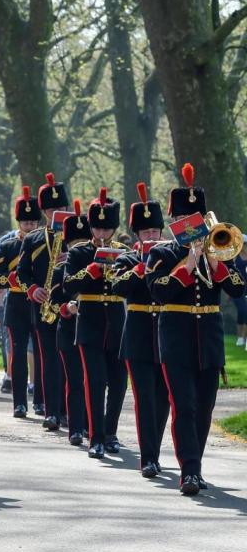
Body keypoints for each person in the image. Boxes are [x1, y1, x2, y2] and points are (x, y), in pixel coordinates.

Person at [146, 163, 245, 495]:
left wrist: (215, 262)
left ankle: (195, 465)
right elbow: (157, 290)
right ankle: (189, 471)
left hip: (210, 340)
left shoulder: (219, 251)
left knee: (204, 407)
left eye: (198, 218)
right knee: (184, 405)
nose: (192, 224)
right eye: (184, 219)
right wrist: (188, 264)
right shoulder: (161, 252)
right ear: (175, 222)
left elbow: (237, 288)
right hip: (175, 339)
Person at [63, 188, 129, 459]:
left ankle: (111, 432)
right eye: (98, 228)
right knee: (95, 381)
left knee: (118, 382)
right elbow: (68, 286)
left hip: (116, 321)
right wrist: (92, 270)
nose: (102, 234)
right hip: (89, 322)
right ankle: (95, 436)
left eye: (107, 229)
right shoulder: (79, 252)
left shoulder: (124, 252)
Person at [111, 183, 169, 478]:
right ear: (137, 235)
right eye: (145, 232)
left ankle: (155, 450)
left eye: (154, 232)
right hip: (137, 332)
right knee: (144, 396)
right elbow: (118, 286)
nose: (151, 236)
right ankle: (148, 457)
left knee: (163, 397)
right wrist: (142, 267)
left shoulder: (171, 256)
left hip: (167, 333)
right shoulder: (128, 258)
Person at [18, 173, 70, 430]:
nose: (58, 212)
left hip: (71, 307)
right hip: (43, 306)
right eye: (52, 209)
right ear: (45, 211)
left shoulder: (78, 237)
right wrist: (33, 289)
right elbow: (22, 273)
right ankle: (51, 411)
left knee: (69, 361)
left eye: (62, 208)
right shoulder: (33, 238)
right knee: (49, 360)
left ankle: (69, 410)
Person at [0, 186, 41, 418]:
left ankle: (40, 400)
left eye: (32, 222)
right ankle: (19, 402)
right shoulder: (9, 245)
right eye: (25, 222)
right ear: (19, 222)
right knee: (18, 354)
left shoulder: (46, 244)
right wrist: (9, 279)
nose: (29, 226)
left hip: (40, 303)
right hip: (17, 303)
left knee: (41, 353)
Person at [51, 202, 90, 446]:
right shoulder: (60, 269)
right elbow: (54, 302)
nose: (78, 247)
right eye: (74, 243)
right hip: (68, 329)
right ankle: (76, 427)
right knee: (74, 381)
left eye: (82, 242)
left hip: (94, 330)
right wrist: (67, 308)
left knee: (94, 382)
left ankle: (91, 424)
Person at [233, 246, 247, 347]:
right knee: (242, 311)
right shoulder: (234, 256)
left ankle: (243, 337)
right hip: (237, 288)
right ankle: (240, 337)